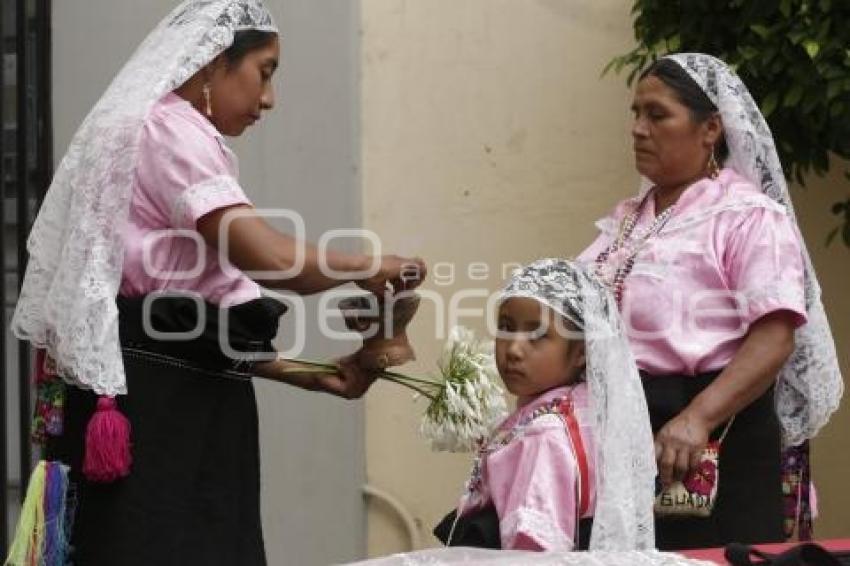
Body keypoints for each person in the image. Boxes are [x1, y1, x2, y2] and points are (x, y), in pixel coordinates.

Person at [7, 2, 426, 565]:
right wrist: (372, 267)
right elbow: (269, 259)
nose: (269, 98)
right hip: (164, 419)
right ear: (212, 65)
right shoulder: (169, 131)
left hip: (155, 400)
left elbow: (178, 323)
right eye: (265, 71)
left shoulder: (146, 130)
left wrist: (311, 376)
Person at [579, 53, 843, 550]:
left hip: (709, 440)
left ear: (711, 129)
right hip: (629, 439)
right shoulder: (629, 221)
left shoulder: (745, 216)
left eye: (657, 115)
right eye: (635, 113)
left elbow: (775, 336)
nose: (638, 129)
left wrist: (697, 418)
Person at [434, 259, 655, 551]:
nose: (513, 349)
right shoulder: (595, 411)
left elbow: (534, 547)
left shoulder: (544, 434)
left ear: (580, 352)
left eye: (537, 335)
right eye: (506, 327)